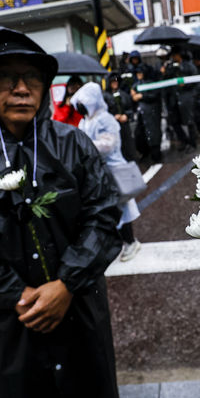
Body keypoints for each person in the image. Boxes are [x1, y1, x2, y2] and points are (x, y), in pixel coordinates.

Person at [0, 26, 124, 398]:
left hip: (81, 314)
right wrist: (17, 295)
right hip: (13, 322)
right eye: (7, 77)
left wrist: (66, 284)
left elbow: (105, 217)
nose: (21, 88)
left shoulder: (74, 143)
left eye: (32, 78)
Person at [71, 82, 142, 262]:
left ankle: (130, 242)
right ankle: (119, 242)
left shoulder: (105, 118)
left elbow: (109, 144)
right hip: (96, 172)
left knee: (121, 207)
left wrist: (85, 145)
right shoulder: (85, 120)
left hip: (113, 169)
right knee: (106, 209)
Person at [130, 66, 164, 163]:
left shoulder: (151, 82)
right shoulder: (136, 84)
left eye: (141, 73)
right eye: (137, 73)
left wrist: (142, 96)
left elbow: (155, 95)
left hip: (152, 112)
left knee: (153, 133)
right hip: (142, 113)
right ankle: (145, 152)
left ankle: (156, 155)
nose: (139, 75)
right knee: (140, 133)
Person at [104, 71, 138, 161]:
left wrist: (126, 115)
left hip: (124, 125)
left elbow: (130, 108)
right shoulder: (105, 96)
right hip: (112, 127)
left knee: (128, 146)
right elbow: (104, 112)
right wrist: (113, 117)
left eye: (116, 81)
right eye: (113, 82)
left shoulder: (124, 95)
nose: (115, 83)